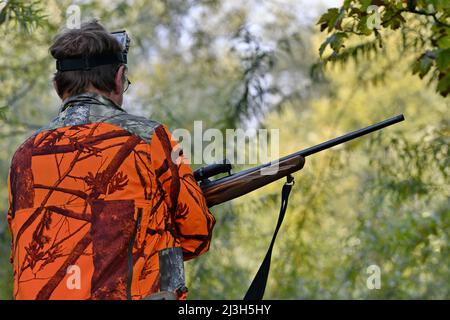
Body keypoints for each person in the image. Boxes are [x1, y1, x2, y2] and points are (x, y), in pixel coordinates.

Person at [6, 21, 215, 300]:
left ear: (58, 87)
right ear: (119, 78)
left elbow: (24, 252)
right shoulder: (151, 139)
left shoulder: (24, 156)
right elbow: (196, 236)